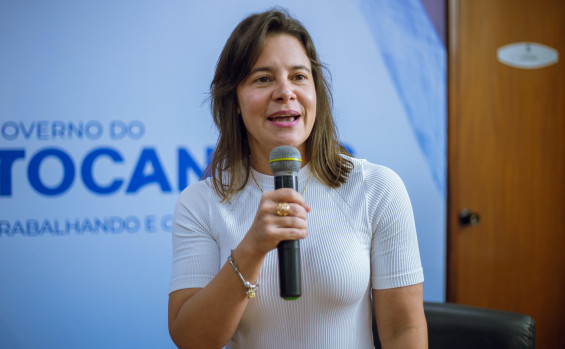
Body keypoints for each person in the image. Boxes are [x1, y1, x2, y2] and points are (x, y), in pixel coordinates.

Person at [168, 8, 427, 349]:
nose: (284, 92)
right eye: (263, 79)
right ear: (235, 101)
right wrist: (252, 248)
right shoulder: (200, 203)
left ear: (315, 93)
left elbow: (403, 330)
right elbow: (192, 340)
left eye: (299, 77)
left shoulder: (376, 188)